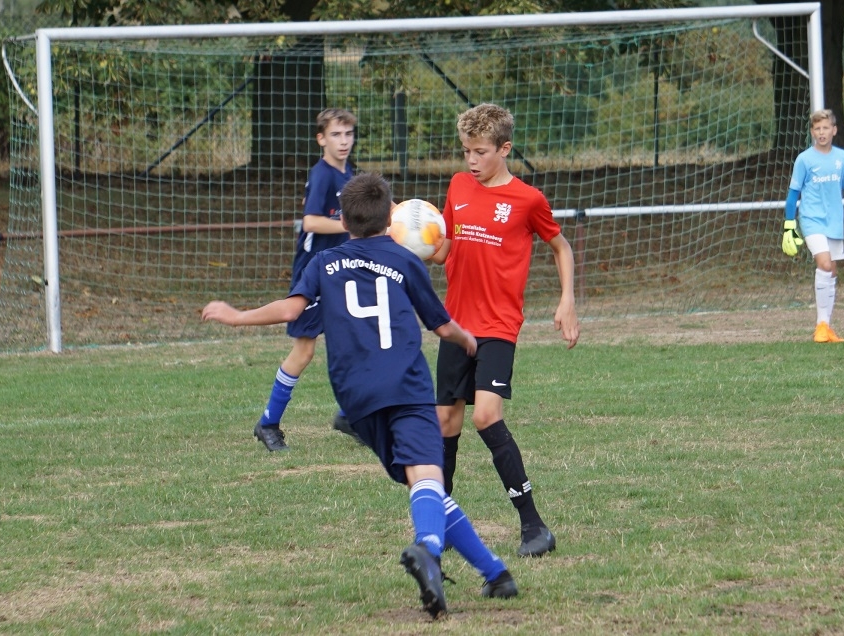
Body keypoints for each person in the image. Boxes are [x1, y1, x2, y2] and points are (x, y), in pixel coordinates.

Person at [202, 172, 518, 620]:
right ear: (390, 219)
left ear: (345, 222)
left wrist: (237, 316)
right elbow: (441, 324)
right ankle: (429, 550)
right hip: (404, 385)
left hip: (355, 397)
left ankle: (496, 574)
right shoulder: (405, 259)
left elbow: (291, 309)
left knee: (421, 484)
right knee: (428, 477)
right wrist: (465, 338)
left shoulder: (322, 264)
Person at [429, 103, 580, 558]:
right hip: (456, 325)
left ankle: (534, 526)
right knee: (445, 422)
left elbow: (561, 246)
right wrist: (410, 233)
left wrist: (567, 300)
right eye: (466, 151)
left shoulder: (527, 200)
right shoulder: (458, 186)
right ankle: (439, 528)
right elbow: (444, 250)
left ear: (504, 148)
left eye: (480, 151)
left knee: (485, 416)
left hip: (497, 324)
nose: (471, 160)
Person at [253, 108, 359, 452]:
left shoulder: (348, 174)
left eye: (348, 134)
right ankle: (268, 423)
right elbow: (311, 221)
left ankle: (348, 416)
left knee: (355, 343)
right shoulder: (323, 174)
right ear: (321, 139)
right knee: (304, 351)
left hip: (340, 271)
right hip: (313, 275)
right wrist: (350, 226)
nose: (343, 141)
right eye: (336, 135)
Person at [782, 108, 844, 343]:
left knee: (831, 270)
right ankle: (820, 326)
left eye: (825, 128)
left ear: (834, 130)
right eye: (817, 128)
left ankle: (826, 326)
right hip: (811, 219)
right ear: (812, 132)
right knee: (824, 263)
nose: (821, 132)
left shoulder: (842, 158)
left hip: (834, 221)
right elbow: (793, 194)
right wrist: (789, 224)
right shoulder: (804, 159)